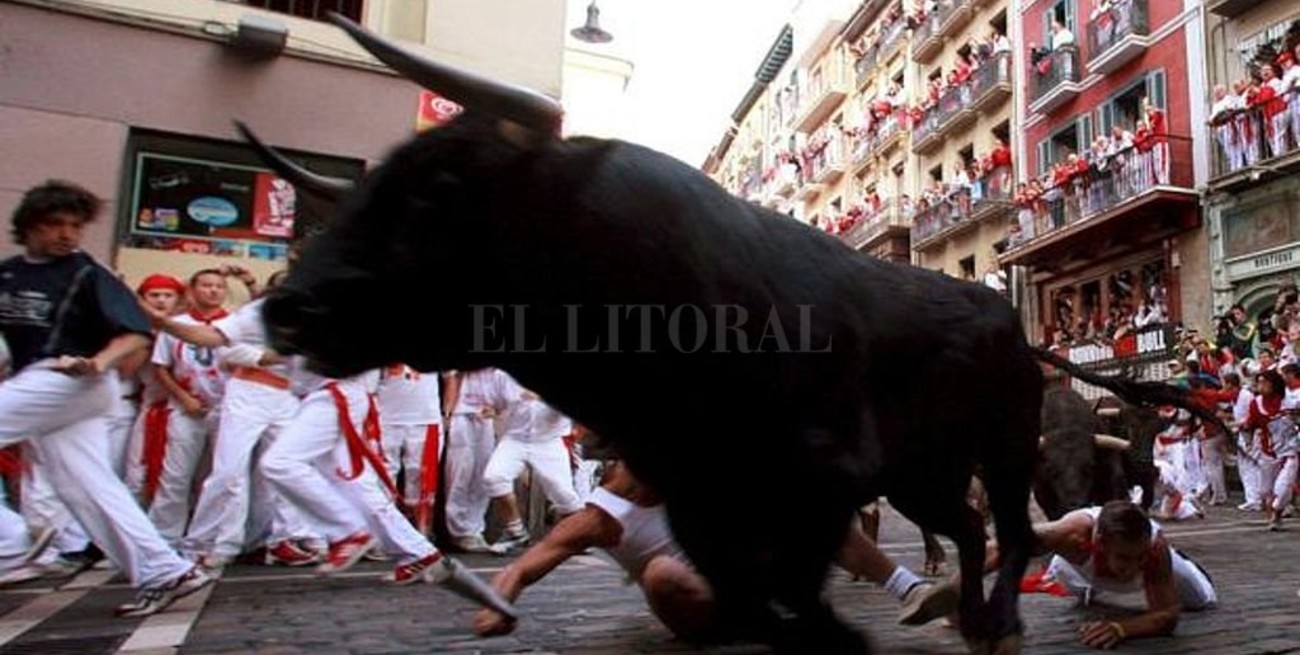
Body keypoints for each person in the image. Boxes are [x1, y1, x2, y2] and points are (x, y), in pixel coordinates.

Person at [0, 180, 211, 615]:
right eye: (56, 224)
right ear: (30, 226)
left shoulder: (86, 272)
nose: (67, 234)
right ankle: (165, 570)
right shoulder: (7, 274)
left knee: (84, 481)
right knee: (87, 484)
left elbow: (136, 332)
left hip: (68, 380)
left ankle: (11, 542)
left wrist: (99, 362)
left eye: (75, 226)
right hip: (45, 388)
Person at [473, 459, 959, 640]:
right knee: (661, 573)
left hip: (741, 576)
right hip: (696, 608)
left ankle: (910, 588)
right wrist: (498, 605)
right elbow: (522, 569)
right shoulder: (600, 520)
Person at [939, 500, 1215, 650]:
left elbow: (1167, 616)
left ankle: (1186, 565)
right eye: (1124, 557)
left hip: (1151, 572)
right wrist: (954, 592)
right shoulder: (1072, 535)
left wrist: (1122, 628)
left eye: (1138, 556)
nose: (1133, 564)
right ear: (1101, 543)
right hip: (1074, 570)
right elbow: (999, 547)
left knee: (1202, 600)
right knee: (1064, 576)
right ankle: (1086, 584)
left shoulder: (1154, 548)